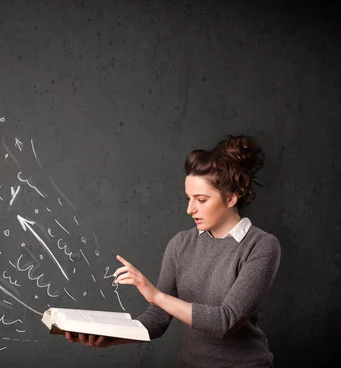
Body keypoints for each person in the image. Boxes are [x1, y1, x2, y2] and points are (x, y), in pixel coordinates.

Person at [65, 134, 281, 367]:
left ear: (230, 197)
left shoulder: (261, 246)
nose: (190, 209)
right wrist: (109, 338)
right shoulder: (181, 244)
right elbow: (158, 319)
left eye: (201, 199)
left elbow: (225, 322)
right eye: (188, 198)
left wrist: (156, 296)